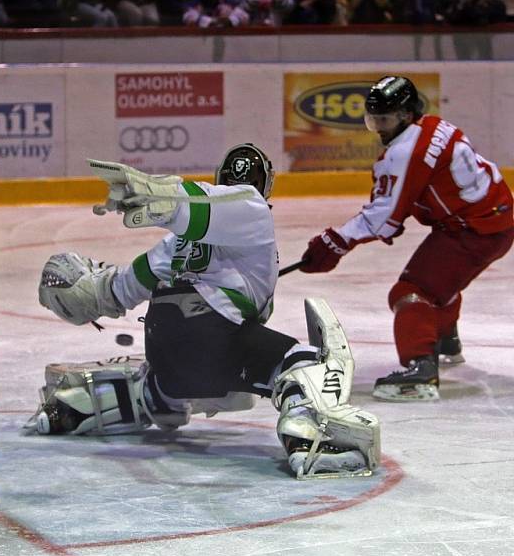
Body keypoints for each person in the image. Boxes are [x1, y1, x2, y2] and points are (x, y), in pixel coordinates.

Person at [30, 144, 380, 479]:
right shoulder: (253, 207)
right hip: (213, 336)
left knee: (184, 383)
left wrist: (79, 290)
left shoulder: (176, 243)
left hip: (165, 342)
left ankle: (83, 407)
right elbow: (200, 207)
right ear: (266, 185)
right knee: (302, 361)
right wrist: (164, 197)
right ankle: (312, 440)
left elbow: (117, 290)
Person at [298, 76, 513, 402]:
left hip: (474, 230)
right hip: (494, 218)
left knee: (413, 292)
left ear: (406, 114)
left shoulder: (403, 152)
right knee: (437, 282)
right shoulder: (435, 125)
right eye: (374, 119)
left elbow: (383, 217)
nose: (379, 127)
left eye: (384, 119)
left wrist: (333, 242)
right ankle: (444, 339)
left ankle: (420, 372)